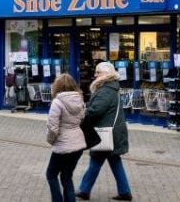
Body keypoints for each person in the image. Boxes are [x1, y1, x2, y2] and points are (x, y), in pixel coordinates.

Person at [76, 62, 131, 201]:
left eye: (97, 72)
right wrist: (86, 106)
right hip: (112, 133)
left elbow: (96, 110)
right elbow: (97, 106)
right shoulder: (110, 88)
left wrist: (83, 112)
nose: (95, 75)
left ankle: (84, 190)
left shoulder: (106, 90)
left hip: (105, 134)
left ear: (105, 74)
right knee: (114, 161)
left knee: (96, 161)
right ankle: (124, 192)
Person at [45, 73, 86, 202]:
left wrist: (51, 141)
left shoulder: (57, 102)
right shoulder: (80, 99)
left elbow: (53, 127)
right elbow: (82, 119)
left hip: (63, 145)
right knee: (66, 176)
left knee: (51, 174)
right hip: (78, 144)